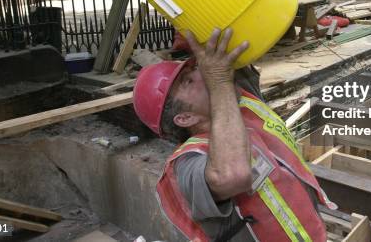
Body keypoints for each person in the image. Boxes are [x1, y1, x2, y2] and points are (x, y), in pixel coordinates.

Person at [132, 28, 335, 242]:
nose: (202, 74)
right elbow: (233, 175)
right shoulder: (187, 163)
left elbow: (234, 37)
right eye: (187, 81)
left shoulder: (241, 101)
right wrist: (218, 80)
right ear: (185, 118)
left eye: (194, 69)